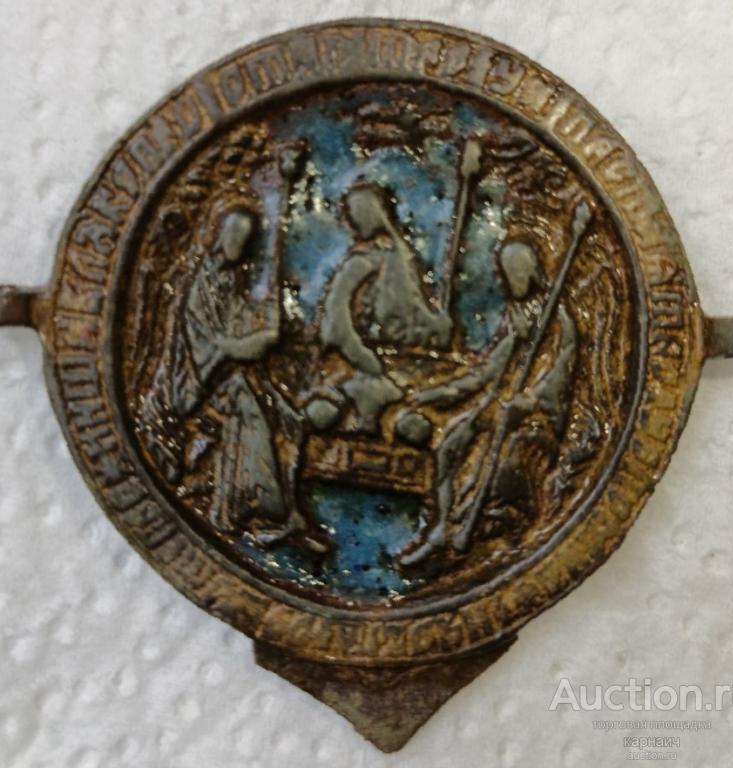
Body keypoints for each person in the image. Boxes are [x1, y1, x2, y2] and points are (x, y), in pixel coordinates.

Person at [140, 193, 327, 554]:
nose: (239, 245)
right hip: (194, 384)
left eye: (245, 239)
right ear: (216, 234)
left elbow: (239, 324)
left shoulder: (226, 280)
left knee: (288, 416)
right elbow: (217, 346)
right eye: (234, 236)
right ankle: (251, 513)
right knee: (250, 409)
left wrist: (267, 322)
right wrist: (256, 341)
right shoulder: (198, 283)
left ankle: (288, 512)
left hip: (225, 375)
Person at [398, 239, 577, 565]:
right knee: (449, 445)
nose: (511, 281)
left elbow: (559, 378)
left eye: (517, 272)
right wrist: (437, 394)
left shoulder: (558, 319)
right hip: (499, 406)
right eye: (507, 274)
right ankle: (440, 528)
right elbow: (487, 372)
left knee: (491, 458)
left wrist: (527, 402)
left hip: (534, 416)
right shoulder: (519, 317)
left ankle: (471, 527)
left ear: (532, 272)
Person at [314, 181, 452, 434]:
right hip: (365, 362)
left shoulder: (399, 256)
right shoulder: (361, 262)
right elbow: (335, 313)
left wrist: (437, 326)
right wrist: (360, 355)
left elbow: (412, 308)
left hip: (395, 356)